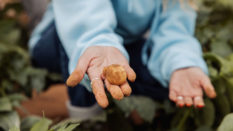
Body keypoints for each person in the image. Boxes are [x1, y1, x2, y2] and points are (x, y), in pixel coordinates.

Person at [29, 0, 216, 120]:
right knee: (87, 51)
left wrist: (182, 64)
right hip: (67, 34)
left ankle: (110, 93)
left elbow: (173, 32)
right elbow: (82, 10)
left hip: (117, 47)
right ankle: (85, 118)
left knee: (172, 77)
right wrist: (97, 42)